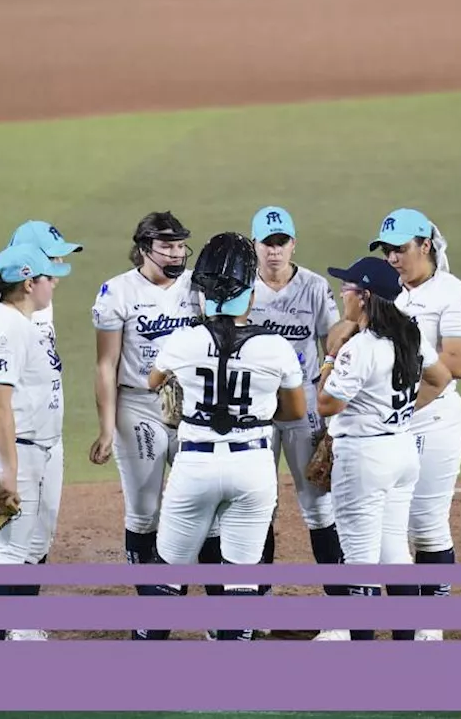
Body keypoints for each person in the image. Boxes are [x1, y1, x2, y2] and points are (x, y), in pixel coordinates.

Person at [137, 232, 308, 642]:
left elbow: (152, 382)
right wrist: (260, 412)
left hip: (194, 463)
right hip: (252, 465)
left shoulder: (183, 341)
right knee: (240, 581)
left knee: (167, 575)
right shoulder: (276, 347)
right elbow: (297, 411)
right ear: (250, 293)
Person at [333, 208, 461, 642]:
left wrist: (395, 410)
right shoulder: (382, 292)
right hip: (384, 427)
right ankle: (354, 622)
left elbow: (456, 365)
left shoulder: (454, 295)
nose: (393, 258)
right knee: (371, 527)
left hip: (431, 420)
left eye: (400, 249)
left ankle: (428, 624)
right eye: (387, 250)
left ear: (426, 245)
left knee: (426, 524)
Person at [317, 256, 452, 641]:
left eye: (347, 288)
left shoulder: (361, 347)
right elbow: (440, 378)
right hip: (401, 450)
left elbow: (325, 404)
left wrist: (330, 355)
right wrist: (402, 410)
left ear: (365, 296)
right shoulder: (409, 333)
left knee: (359, 562)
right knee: (395, 556)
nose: (342, 293)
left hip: (364, 459)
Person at [239, 206, 348, 641]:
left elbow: (333, 343)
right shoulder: (242, 287)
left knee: (319, 508)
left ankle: (342, 614)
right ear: (254, 246)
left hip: (303, 409)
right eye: (266, 243)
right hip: (257, 409)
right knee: (258, 505)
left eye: (281, 242)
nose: (274, 251)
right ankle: (258, 607)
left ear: (293, 244)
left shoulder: (315, 288)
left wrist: (329, 413)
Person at [0, 242, 71, 642]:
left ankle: (18, 633)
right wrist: (9, 472)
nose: (54, 284)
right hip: (11, 450)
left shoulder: (17, 323)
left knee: (25, 546)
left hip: (27, 448)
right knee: (4, 551)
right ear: (28, 283)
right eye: (48, 278)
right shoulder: (6, 327)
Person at [88, 211, 203, 588]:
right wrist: (106, 430)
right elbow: (106, 364)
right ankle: (153, 609)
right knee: (144, 511)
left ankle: (214, 612)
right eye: (166, 247)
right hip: (138, 406)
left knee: (202, 504)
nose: (175, 254)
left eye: (179, 246)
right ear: (143, 249)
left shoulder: (199, 287)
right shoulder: (117, 292)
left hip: (192, 407)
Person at [0, 219, 84, 639]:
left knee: (41, 532)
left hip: (49, 437)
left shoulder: (41, 302)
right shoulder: (7, 318)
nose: (61, 264)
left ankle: (24, 623)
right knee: (10, 540)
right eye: (53, 258)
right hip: (19, 441)